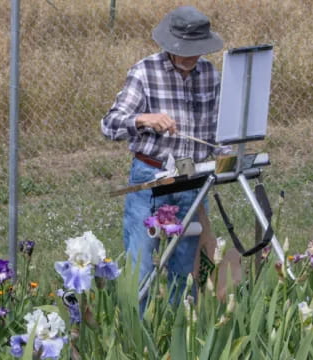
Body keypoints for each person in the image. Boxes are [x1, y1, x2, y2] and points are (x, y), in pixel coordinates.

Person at [101, 6, 224, 304]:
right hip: (151, 180)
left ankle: (177, 338)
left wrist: (227, 156)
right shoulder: (144, 71)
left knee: (185, 271)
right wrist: (144, 119)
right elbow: (109, 125)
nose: (192, 56)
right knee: (140, 267)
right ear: (168, 44)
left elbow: (221, 132)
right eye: (185, 49)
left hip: (193, 180)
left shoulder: (210, 74)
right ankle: (135, 339)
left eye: (197, 49)